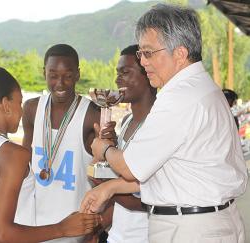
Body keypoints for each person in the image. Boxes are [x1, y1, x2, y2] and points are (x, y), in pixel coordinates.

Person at [81, 4, 248, 243]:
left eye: (148, 53)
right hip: (207, 221)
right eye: (141, 54)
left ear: (179, 53)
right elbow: (174, 171)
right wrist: (111, 188)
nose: (143, 62)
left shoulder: (179, 96)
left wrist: (104, 149)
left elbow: (130, 167)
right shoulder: (203, 88)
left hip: (190, 229)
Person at [0, 67, 100, 242]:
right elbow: (0, 235)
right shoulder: (13, 154)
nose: (21, 111)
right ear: (6, 105)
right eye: (19, 103)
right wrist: (62, 228)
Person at [22, 44, 113, 243]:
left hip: (76, 231)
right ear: (43, 73)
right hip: (35, 228)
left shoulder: (91, 114)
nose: (60, 83)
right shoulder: (31, 109)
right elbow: (22, 165)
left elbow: (107, 176)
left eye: (68, 75)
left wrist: (97, 227)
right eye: (53, 75)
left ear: (78, 75)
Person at [102, 44, 156, 243]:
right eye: (117, 73)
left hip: (145, 236)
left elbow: (148, 200)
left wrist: (107, 187)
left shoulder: (157, 124)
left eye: (125, 72)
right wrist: (111, 148)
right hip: (118, 235)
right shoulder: (126, 121)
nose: (117, 79)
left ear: (148, 75)